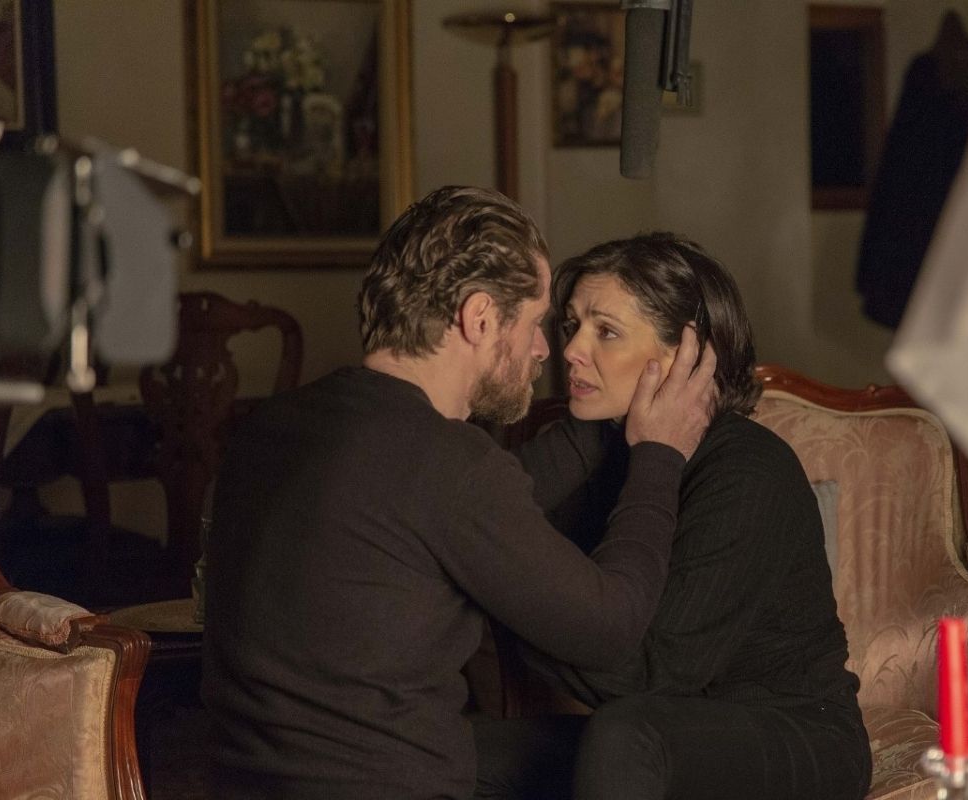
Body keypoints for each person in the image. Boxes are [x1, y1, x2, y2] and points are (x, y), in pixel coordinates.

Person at [200, 187, 717, 800]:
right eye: (535, 323)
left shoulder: (270, 426)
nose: (544, 349)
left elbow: (467, 508)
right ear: (480, 318)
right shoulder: (448, 464)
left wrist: (603, 421)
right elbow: (611, 627)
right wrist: (658, 453)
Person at [475, 233, 871, 800]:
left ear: (687, 355)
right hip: (657, 732)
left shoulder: (750, 468)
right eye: (573, 326)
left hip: (797, 733)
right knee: (450, 752)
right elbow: (476, 517)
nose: (572, 350)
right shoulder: (594, 438)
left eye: (606, 331)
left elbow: (651, 674)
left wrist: (491, 589)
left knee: (626, 735)